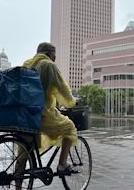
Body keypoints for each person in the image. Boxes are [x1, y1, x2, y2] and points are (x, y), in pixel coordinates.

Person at [16, 42, 78, 188]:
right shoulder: (48, 65)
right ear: (49, 54)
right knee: (69, 127)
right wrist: (72, 102)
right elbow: (62, 90)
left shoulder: (27, 64)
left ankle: (17, 186)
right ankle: (62, 165)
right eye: (54, 55)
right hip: (41, 114)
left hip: (23, 114)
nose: (55, 58)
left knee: (23, 151)